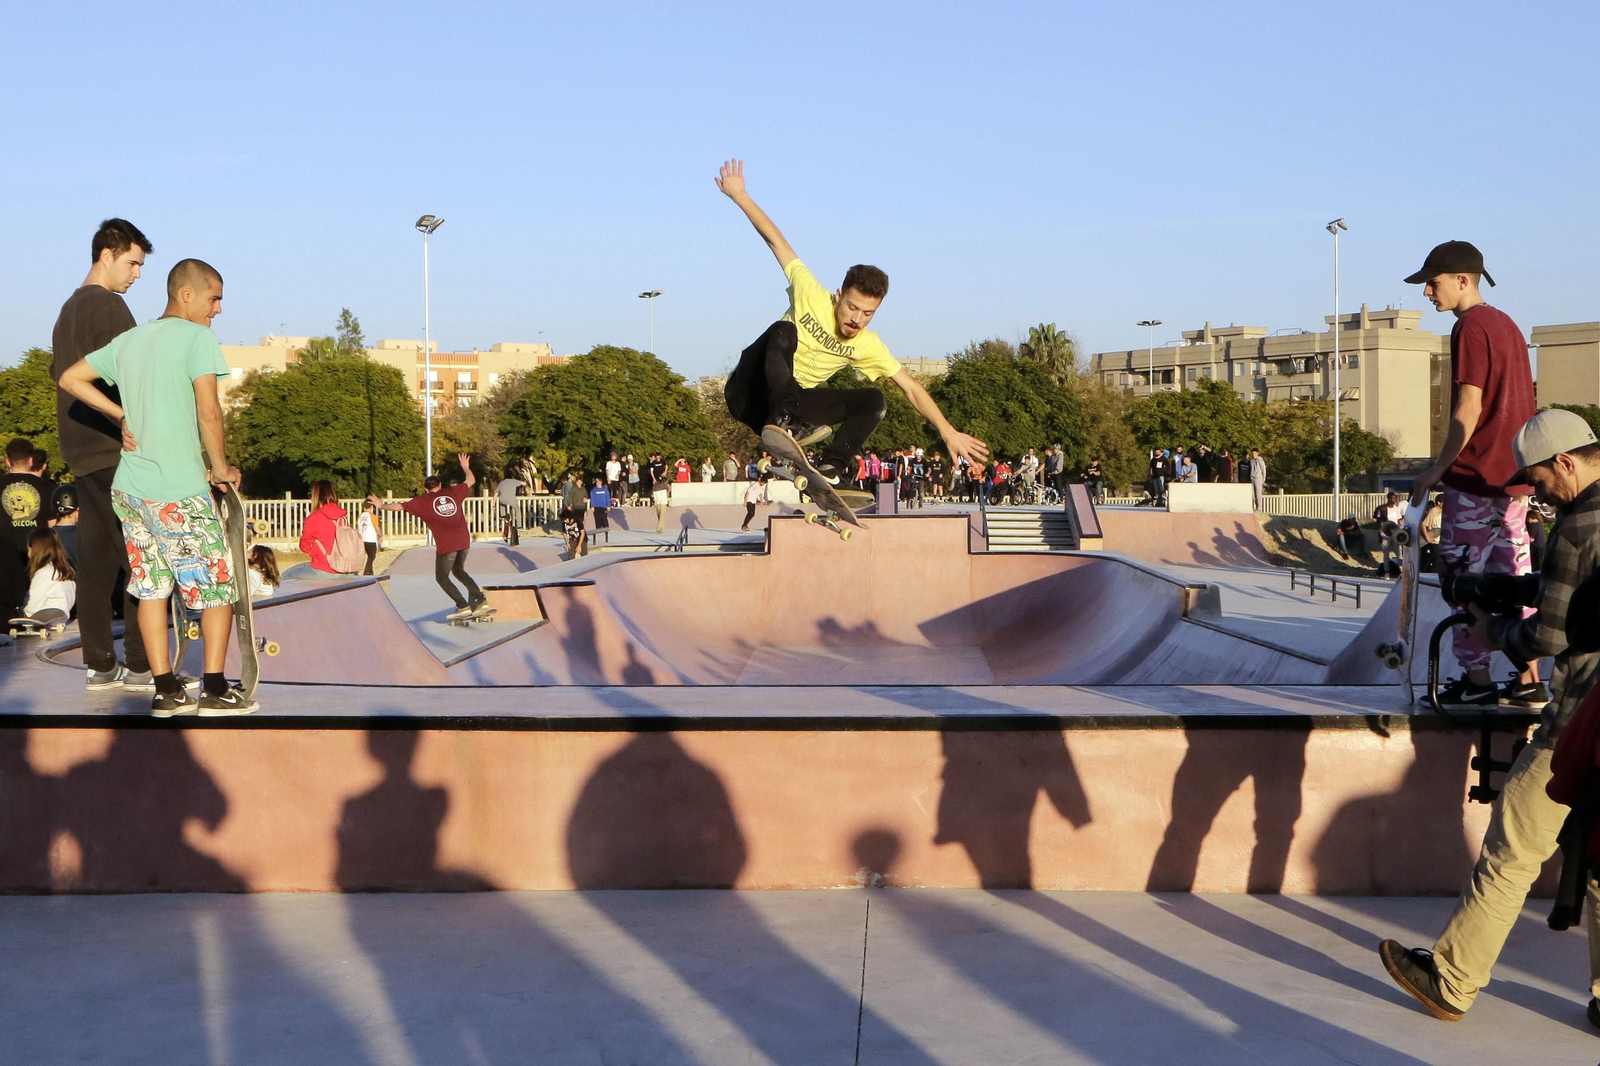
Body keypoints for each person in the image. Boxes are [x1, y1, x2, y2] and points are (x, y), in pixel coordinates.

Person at [1379, 408, 1600, 1025]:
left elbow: (1550, 639)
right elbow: (1574, 591)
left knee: (1513, 848)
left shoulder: (1579, 523)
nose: (1535, 493)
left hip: (1582, 722)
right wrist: (1509, 589)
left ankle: (1451, 980)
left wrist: (1493, 628)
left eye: (1537, 479)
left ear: (1564, 461)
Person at [716, 159, 987, 489]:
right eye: (852, 308)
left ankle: (832, 467)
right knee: (783, 330)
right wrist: (740, 195)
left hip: (788, 409)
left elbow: (912, 388)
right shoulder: (810, 293)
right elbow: (776, 240)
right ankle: (786, 420)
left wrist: (948, 431)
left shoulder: (866, 344)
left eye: (867, 314)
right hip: (748, 391)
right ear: (839, 295)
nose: (856, 319)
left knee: (874, 400)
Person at [57, 257, 252, 715]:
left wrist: (119, 413)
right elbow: (209, 410)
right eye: (214, 297)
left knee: (150, 587)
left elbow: (69, 378)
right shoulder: (198, 338)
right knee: (217, 587)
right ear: (187, 293)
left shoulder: (131, 340)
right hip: (179, 489)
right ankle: (216, 687)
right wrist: (220, 467)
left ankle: (165, 690)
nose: (217, 309)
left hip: (131, 489)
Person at [1403, 241, 1538, 708]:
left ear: (1464, 280)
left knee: (1463, 578)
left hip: (1475, 476)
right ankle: (1529, 681)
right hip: (1515, 480)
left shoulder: (1471, 326)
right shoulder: (1508, 325)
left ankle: (1477, 682)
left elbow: (1469, 405)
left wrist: (1437, 470)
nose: (1427, 293)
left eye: (1433, 283)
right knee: (1515, 579)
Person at [49, 219, 155, 689]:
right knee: (142, 556)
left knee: (95, 559)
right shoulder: (109, 307)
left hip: (80, 450)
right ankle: (140, 663)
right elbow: (135, 377)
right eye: (132, 263)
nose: (136, 275)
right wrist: (125, 418)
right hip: (116, 451)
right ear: (106, 254)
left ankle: (99, 663)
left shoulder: (67, 310)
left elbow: (61, 374)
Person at [368, 454, 485, 620]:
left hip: (447, 544)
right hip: (464, 541)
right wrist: (465, 467)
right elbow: (470, 480)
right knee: (458, 571)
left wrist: (381, 506)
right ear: (440, 485)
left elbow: (398, 507)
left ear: (425, 489)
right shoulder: (452, 491)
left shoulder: (422, 501)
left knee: (442, 577)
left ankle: (462, 606)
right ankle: (481, 600)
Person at [1, 437, 53, 621]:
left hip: (5, 556)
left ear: (8, 461)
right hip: (38, 555)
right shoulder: (48, 487)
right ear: (31, 460)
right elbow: (53, 527)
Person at [22, 528, 76, 624]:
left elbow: (32, 606)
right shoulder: (64, 570)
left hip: (42, 619)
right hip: (62, 618)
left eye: (29, 549)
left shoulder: (44, 573)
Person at [299, 481, 349, 576]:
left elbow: (304, 547)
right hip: (344, 567)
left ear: (316, 496)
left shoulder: (313, 518)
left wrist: (315, 552)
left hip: (323, 568)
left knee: (287, 575)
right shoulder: (342, 517)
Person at [558, 471, 588, 558]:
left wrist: (579, 545)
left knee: (583, 555)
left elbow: (582, 533)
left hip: (582, 537)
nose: (565, 521)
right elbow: (564, 533)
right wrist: (566, 543)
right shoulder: (573, 488)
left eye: (566, 520)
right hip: (575, 507)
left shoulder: (583, 489)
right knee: (571, 556)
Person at [494, 468, 525, 546]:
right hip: (512, 500)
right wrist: (524, 484)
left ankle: (504, 516)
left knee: (501, 503)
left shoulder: (501, 483)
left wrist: (493, 505)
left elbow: (495, 495)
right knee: (517, 509)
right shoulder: (514, 481)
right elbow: (523, 483)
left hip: (503, 500)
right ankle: (519, 525)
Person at [648, 452, 672, 533]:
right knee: (659, 511)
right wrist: (654, 479)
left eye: (659, 456)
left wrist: (665, 471)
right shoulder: (653, 463)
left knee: (663, 511)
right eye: (657, 457)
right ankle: (662, 528)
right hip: (656, 481)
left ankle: (659, 527)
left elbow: (666, 466)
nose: (658, 458)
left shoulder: (663, 461)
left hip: (662, 479)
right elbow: (651, 471)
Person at [358, 500, 382, 575]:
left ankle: (370, 571)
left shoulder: (360, 516)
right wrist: (380, 536)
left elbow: (358, 527)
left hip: (362, 538)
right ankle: (367, 571)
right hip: (370, 539)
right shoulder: (372, 516)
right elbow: (377, 527)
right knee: (372, 556)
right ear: (372, 506)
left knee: (368, 556)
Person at [588, 476, 612, 543]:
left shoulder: (605, 490)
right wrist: (592, 506)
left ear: (601, 483)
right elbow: (592, 498)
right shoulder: (593, 490)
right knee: (597, 518)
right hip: (596, 506)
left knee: (604, 518)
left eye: (599, 482)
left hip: (603, 506)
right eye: (597, 482)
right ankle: (598, 530)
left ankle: (606, 529)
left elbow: (607, 497)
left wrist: (608, 505)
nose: (598, 483)